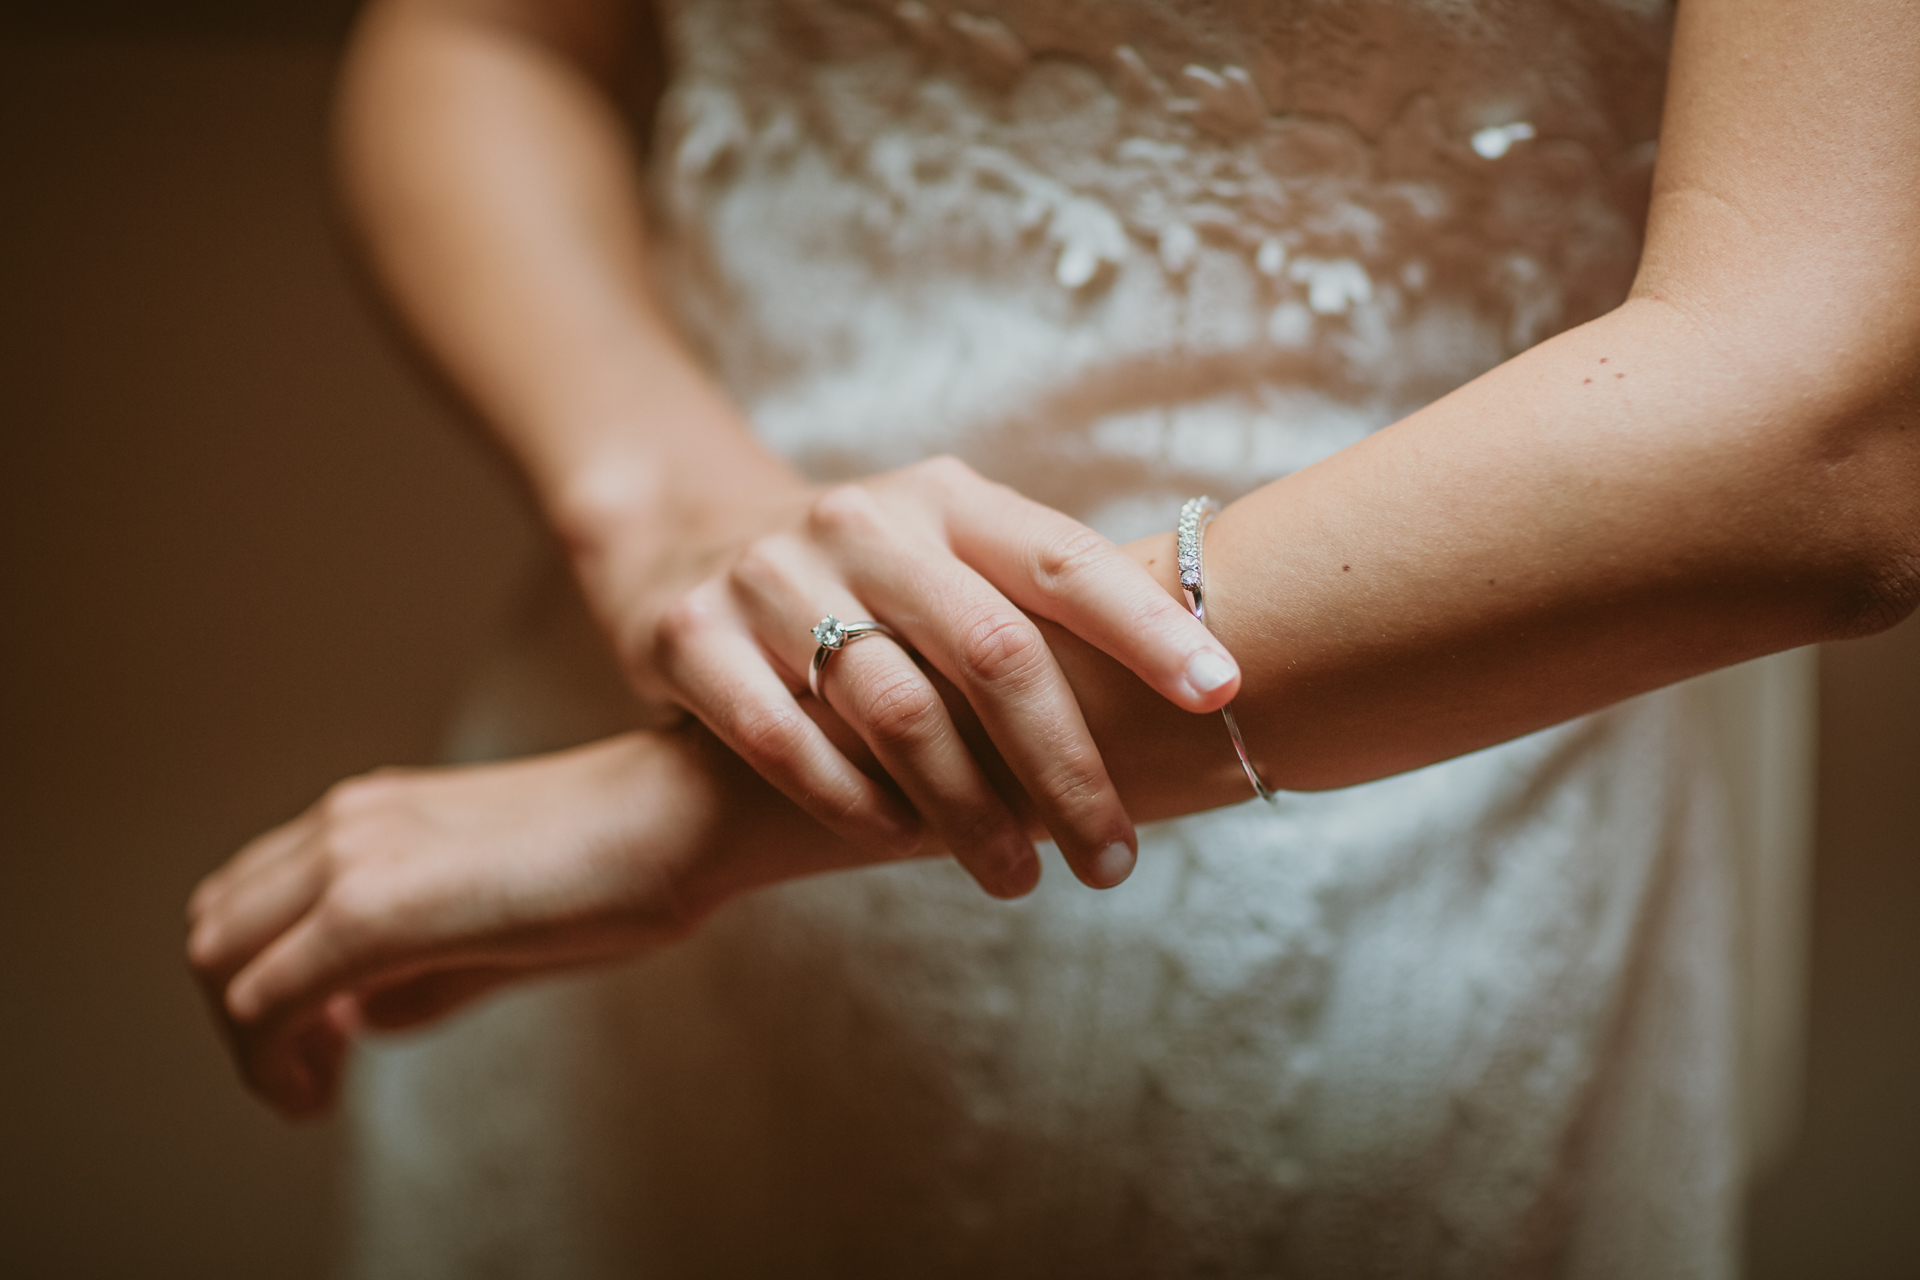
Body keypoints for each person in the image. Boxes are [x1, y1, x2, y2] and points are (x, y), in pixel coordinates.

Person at [187, 0, 1919, 1273]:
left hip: (1361, 929)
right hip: (628, 907)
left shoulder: (636, 824)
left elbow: (1820, 432)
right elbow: (484, 45)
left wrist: (685, 812)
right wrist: (671, 520)